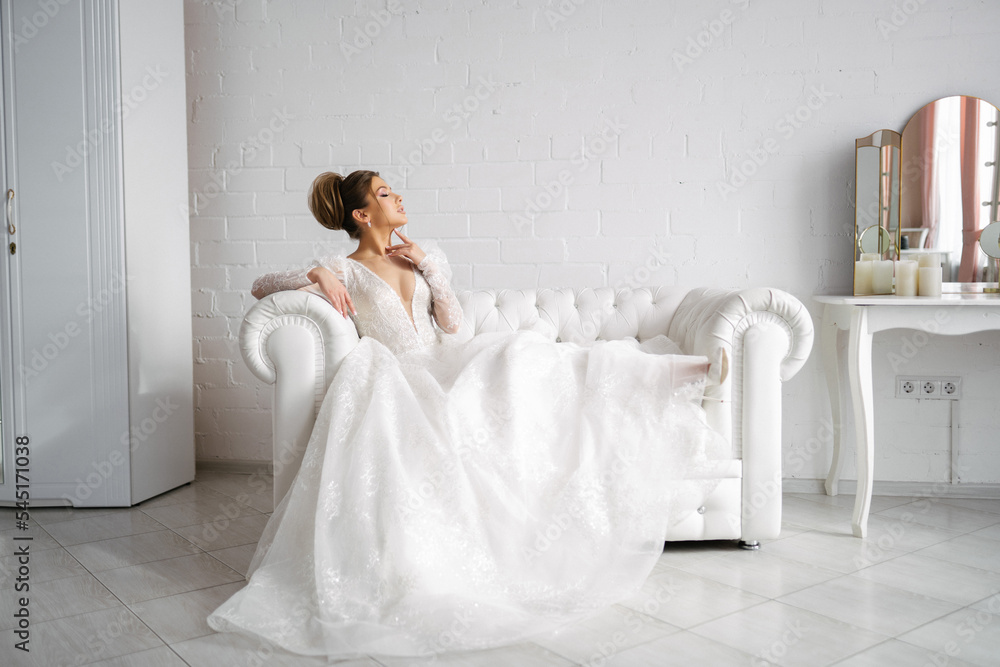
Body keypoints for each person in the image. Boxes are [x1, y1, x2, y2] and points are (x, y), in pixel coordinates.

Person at [207, 170, 726, 659]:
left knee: (528, 356)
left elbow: (452, 327)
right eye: (386, 194)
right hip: (403, 376)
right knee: (507, 374)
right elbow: (261, 286)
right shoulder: (346, 268)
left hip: (446, 358)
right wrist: (316, 272)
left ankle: (678, 371)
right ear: (362, 216)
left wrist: (430, 269)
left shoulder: (422, 256)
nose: (399, 198)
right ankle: (676, 373)